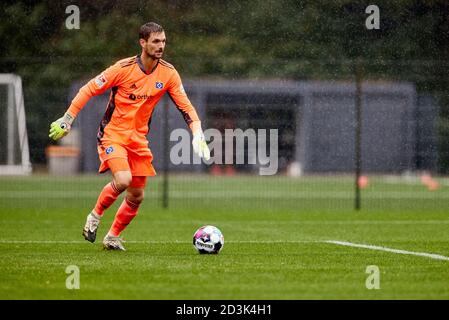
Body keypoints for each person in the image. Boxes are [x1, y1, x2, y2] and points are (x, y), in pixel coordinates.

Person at [49, 22, 210, 251]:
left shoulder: (168, 73)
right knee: (123, 180)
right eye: (155, 41)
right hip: (113, 134)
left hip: (138, 140)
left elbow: (186, 107)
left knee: (136, 195)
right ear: (142, 42)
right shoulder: (122, 69)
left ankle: (112, 237)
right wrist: (67, 118)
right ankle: (94, 216)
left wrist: (197, 133)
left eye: (163, 41)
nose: (161, 46)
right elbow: (88, 89)